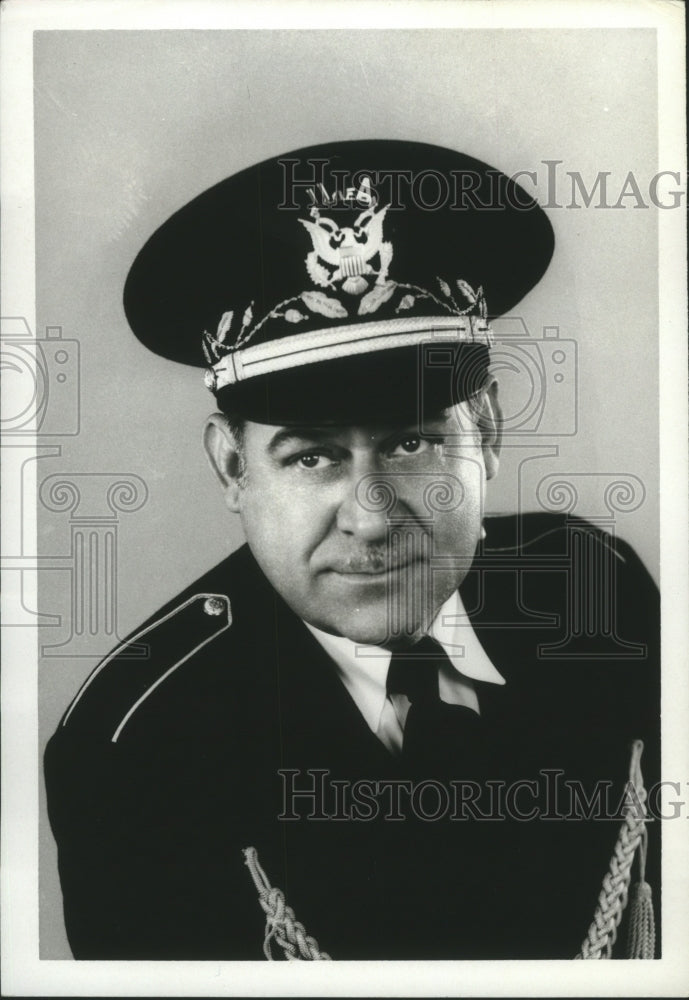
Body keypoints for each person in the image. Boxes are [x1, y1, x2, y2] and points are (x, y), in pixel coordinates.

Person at [44, 140, 660, 961]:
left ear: (490, 433)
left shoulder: (592, 591)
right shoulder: (142, 755)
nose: (371, 520)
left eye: (411, 444)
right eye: (313, 457)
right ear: (232, 467)